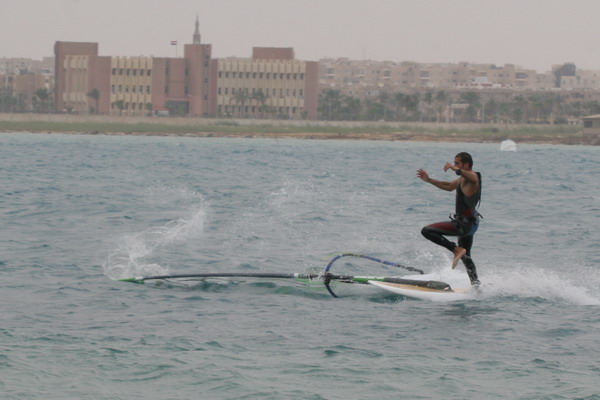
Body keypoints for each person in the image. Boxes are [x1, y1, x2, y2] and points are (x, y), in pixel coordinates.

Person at [416, 152, 481, 286]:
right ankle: (476, 286)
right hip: (470, 224)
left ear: (466, 165)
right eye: (455, 163)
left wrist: (454, 168)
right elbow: (449, 186)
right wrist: (429, 180)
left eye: (457, 163)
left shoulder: (473, 177)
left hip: (463, 225)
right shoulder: (463, 179)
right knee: (466, 256)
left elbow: (473, 177)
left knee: (427, 231)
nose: (455, 165)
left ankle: (455, 249)